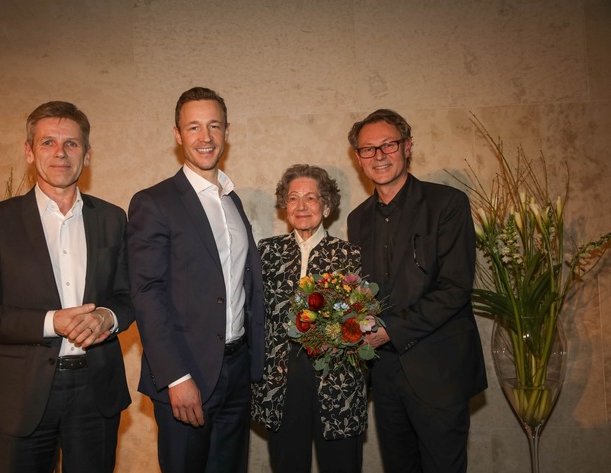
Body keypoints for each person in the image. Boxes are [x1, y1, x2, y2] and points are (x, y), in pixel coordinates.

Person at [0, 101, 133, 473]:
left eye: (71, 143)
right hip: (19, 395)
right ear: (29, 152)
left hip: (96, 392)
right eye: (48, 142)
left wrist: (108, 316)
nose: (60, 153)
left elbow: (129, 295)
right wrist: (52, 322)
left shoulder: (113, 218)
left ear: (87, 154)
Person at [127, 86, 265, 473]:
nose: (205, 137)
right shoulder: (154, 202)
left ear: (226, 132)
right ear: (177, 134)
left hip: (237, 371)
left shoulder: (232, 200)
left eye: (214, 126)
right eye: (193, 127)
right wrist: (176, 376)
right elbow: (147, 293)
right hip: (187, 373)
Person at [346, 109, 487, 473]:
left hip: (439, 369)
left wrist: (390, 330)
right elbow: (364, 294)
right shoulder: (357, 219)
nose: (379, 156)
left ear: (407, 147)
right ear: (359, 158)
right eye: (368, 149)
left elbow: (455, 288)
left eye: (388, 145)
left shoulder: (447, 204)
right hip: (385, 374)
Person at [251, 164, 367, 473]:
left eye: (311, 198)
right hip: (281, 381)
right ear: (284, 206)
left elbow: (364, 319)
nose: (301, 206)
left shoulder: (350, 255)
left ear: (326, 206)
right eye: (293, 198)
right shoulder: (267, 252)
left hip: (338, 382)